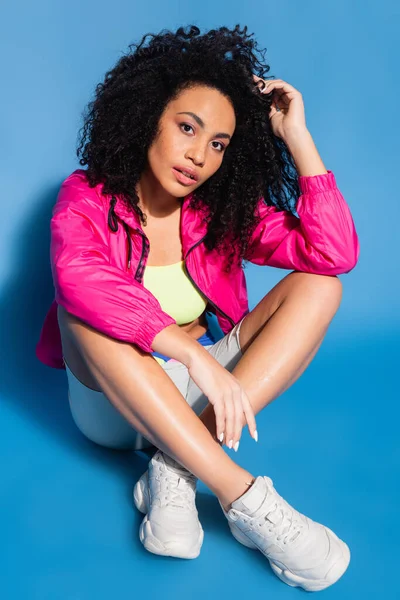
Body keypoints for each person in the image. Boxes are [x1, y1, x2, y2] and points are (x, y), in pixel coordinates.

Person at [36, 24, 359, 591]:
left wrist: (297, 137)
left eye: (217, 144)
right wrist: (197, 356)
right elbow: (81, 279)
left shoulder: (217, 212)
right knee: (79, 314)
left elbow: (331, 253)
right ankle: (246, 499)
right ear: (146, 118)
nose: (199, 156)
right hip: (115, 405)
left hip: (194, 394)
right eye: (187, 127)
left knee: (321, 286)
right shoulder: (85, 196)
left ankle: (174, 466)